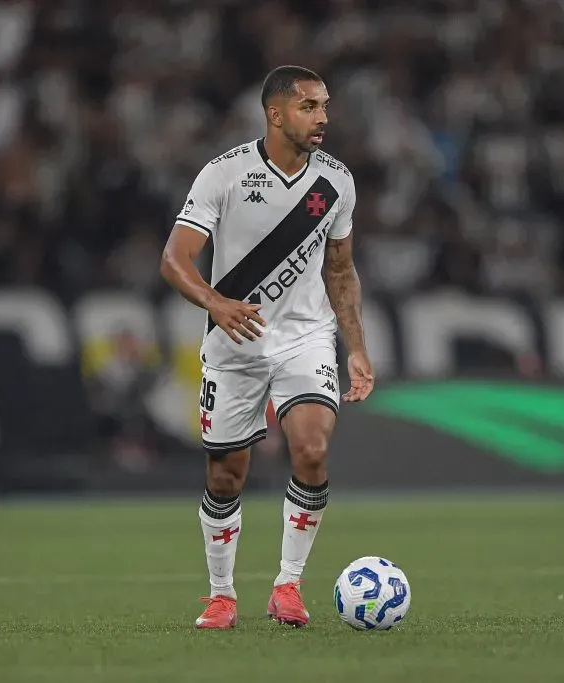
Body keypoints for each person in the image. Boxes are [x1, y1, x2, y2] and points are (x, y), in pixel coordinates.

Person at [160, 65, 375, 629]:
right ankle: (222, 595)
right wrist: (216, 303)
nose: (323, 117)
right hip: (235, 344)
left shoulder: (337, 182)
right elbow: (173, 259)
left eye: (325, 105)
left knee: (310, 449)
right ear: (275, 113)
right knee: (225, 474)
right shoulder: (224, 174)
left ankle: (288, 586)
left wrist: (355, 345)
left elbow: (341, 270)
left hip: (305, 338)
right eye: (309, 106)